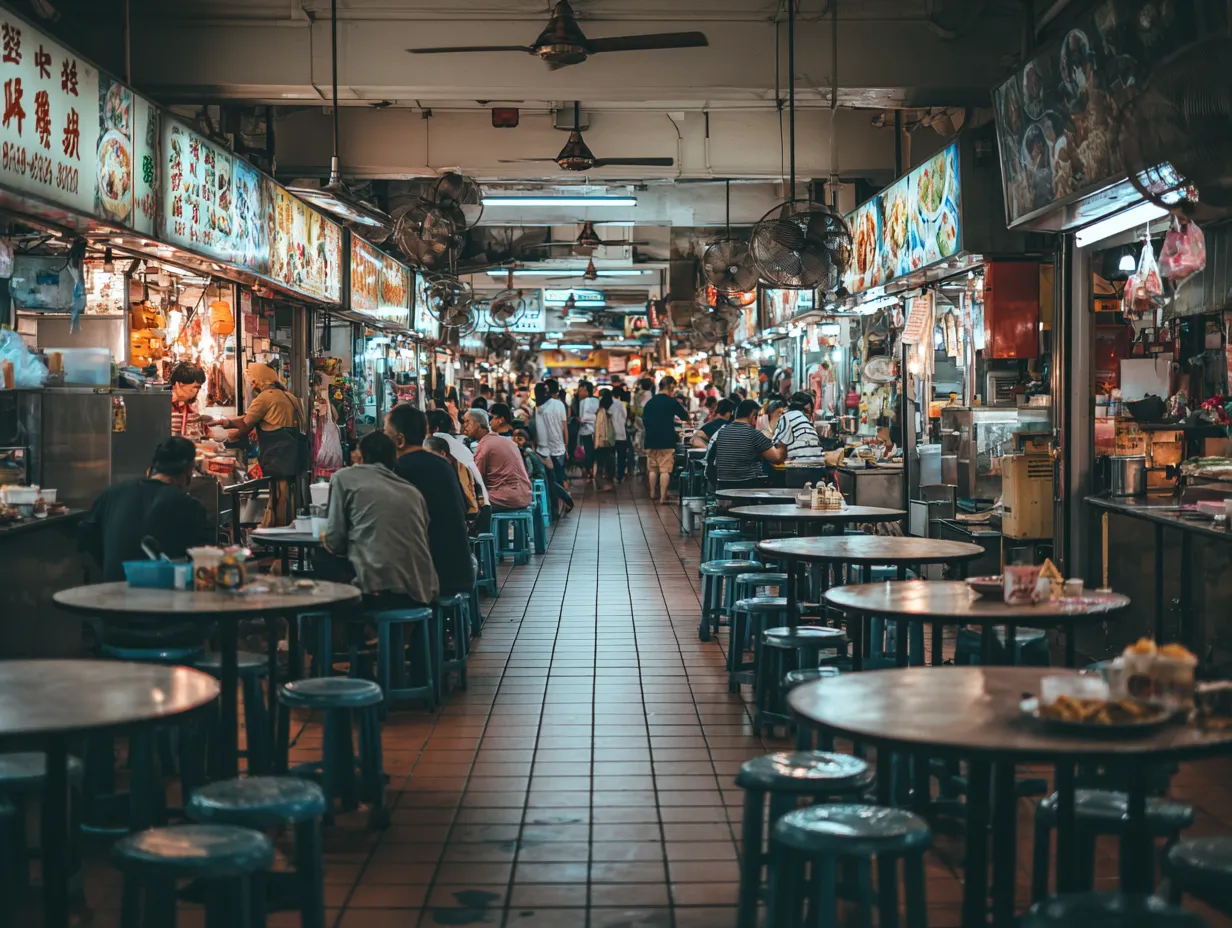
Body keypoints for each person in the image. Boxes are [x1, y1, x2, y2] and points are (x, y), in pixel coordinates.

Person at [321, 430, 439, 608]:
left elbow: (335, 541)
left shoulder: (344, 477)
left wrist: (325, 538)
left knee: (322, 560)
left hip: (379, 589)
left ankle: (346, 633)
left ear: (360, 455)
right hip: (420, 590)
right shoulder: (411, 491)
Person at [80, 436, 212, 582]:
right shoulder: (189, 506)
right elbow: (204, 561)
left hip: (112, 593)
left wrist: (110, 565)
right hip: (163, 597)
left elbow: (86, 535)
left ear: (155, 466)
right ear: (188, 471)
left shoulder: (112, 494)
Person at [384, 403, 475, 597]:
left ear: (399, 440)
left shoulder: (400, 469)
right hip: (460, 569)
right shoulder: (443, 464)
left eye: (386, 433)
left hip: (433, 576)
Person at [203, 362, 306, 527]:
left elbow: (245, 424)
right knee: (286, 495)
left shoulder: (266, 397)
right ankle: (286, 529)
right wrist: (221, 422)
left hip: (277, 454)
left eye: (253, 380)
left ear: (261, 380)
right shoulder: (289, 396)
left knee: (279, 495)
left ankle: (278, 533)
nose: (252, 384)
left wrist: (226, 440)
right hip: (292, 453)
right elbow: (248, 417)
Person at [709, 398, 787, 489]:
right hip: (748, 488)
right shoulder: (753, 434)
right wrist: (783, 440)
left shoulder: (722, 432)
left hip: (723, 487)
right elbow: (777, 458)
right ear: (753, 417)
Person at [465, 408, 532, 512]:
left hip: (508, 498)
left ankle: (482, 529)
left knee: (468, 503)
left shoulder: (485, 445)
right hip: (525, 495)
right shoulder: (505, 441)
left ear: (478, 425)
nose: (464, 426)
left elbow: (477, 479)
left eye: (467, 422)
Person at [641, 375, 692, 505]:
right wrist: (689, 422)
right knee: (665, 469)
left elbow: (644, 420)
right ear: (670, 387)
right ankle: (663, 497)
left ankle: (652, 493)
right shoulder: (671, 402)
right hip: (666, 439)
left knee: (652, 469)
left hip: (651, 439)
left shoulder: (650, 402)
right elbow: (685, 415)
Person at [426, 409, 488, 511]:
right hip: (481, 506)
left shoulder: (434, 444)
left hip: (465, 510)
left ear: (435, 429)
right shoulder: (458, 445)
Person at [425, 434, 484, 528]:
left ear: (442, 453)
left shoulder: (454, 471)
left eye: (429, 454)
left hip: (463, 520)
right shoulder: (455, 466)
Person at [513, 428, 573, 517]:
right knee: (551, 486)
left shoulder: (527, 452)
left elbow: (530, 469)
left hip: (539, 474)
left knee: (550, 487)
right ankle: (566, 500)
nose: (516, 441)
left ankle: (564, 501)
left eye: (519, 439)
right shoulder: (530, 450)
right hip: (544, 469)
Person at [533, 378, 569, 489]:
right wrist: (566, 444)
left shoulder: (537, 408)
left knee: (548, 479)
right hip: (558, 447)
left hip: (542, 450)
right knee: (560, 477)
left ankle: (552, 502)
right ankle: (563, 500)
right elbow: (564, 427)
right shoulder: (559, 404)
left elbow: (536, 429)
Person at [774, 392, 825, 463]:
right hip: (817, 466)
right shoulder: (806, 424)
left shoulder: (785, 417)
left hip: (796, 467)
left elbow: (775, 445)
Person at [169, 362, 207, 439]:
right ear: (180, 384)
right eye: (195, 387)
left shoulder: (186, 405)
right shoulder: (164, 404)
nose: (197, 391)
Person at [593, 389, 617, 491]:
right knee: (607, 462)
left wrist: (598, 442)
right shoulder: (605, 411)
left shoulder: (602, 411)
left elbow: (599, 427)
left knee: (601, 462)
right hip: (607, 441)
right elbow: (603, 427)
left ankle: (601, 483)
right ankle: (605, 483)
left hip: (602, 441)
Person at [576, 381, 598, 482]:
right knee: (591, 452)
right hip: (591, 431)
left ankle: (588, 470)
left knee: (589, 452)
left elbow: (584, 417)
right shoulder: (594, 401)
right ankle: (590, 470)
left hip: (588, 431)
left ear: (587, 391)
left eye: (581, 391)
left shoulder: (586, 401)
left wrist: (581, 420)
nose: (579, 393)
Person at [608, 384, 631, 483]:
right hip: (621, 434)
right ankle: (620, 476)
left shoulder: (609, 404)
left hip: (611, 434)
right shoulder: (621, 404)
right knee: (621, 457)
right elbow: (625, 417)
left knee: (611, 456)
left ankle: (611, 475)